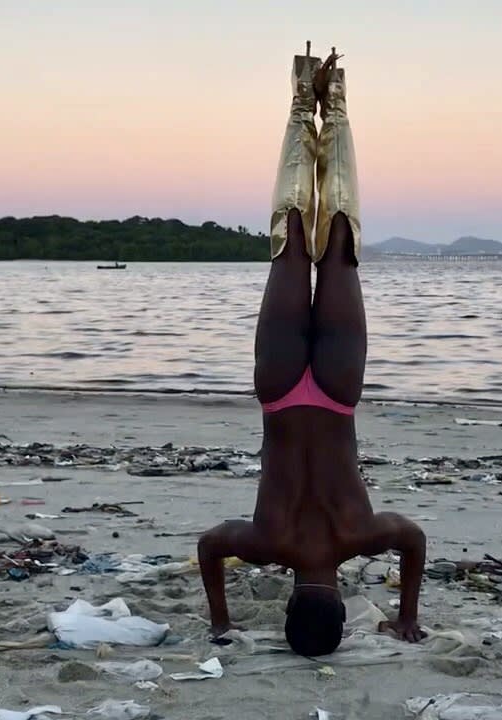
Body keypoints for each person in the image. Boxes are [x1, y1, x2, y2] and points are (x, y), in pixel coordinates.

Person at [197, 45, 428, 657]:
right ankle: (304, 98)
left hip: (335, 390)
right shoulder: (266, 543)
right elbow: (209, 545)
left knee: (341, 243)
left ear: (342, 611)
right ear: (291, 605)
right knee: (292, 239)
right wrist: (220, 618)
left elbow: (415, 539)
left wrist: (407, 613)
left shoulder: (361, 535)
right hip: (277, 391)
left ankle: (335, 102)